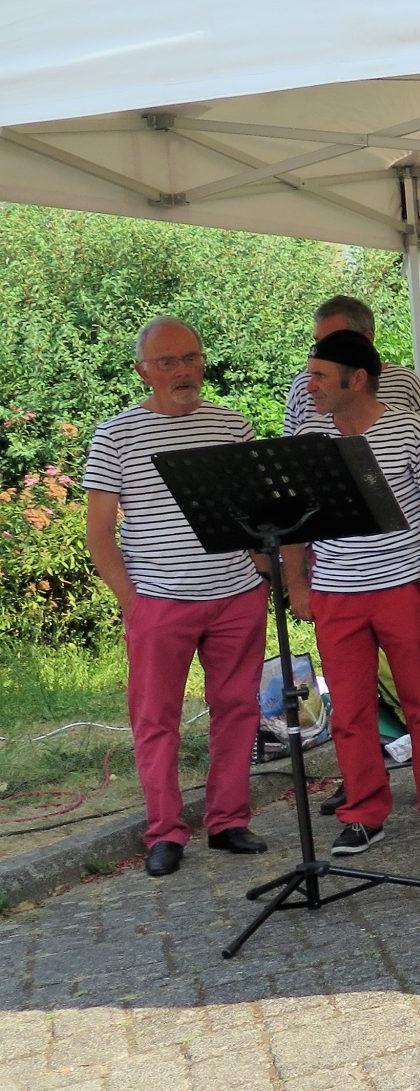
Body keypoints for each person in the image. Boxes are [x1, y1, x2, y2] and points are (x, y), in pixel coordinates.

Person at [83, 317, 271, 878]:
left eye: (191, 358)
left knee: (238, 709)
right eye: (167, 362)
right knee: (155, 719)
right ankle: (164, 832)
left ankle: (228, 821)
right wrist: (132, 601)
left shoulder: (232, 426)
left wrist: (263, 574)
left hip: (237, 595)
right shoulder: (115, 436)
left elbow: (258, 512)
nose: (183, 371)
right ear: (143, 370)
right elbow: (98, 534)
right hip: (160, 600)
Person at [284, 330, 420, 857]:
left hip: (403, 589)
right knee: (349, 710)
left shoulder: (411, 428)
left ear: (357, 379)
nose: (309, 385)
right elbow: (293, 520)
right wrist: (297, 583)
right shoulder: (310, 439)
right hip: (335, 594)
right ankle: (364, 813)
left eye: (320, 376)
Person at [283, 294, 420, 436]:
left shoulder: (404, 383)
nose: (322, 349)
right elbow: (289, 448)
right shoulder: (303, 387)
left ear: (367, 339)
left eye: (335, 340)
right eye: (318, 341)